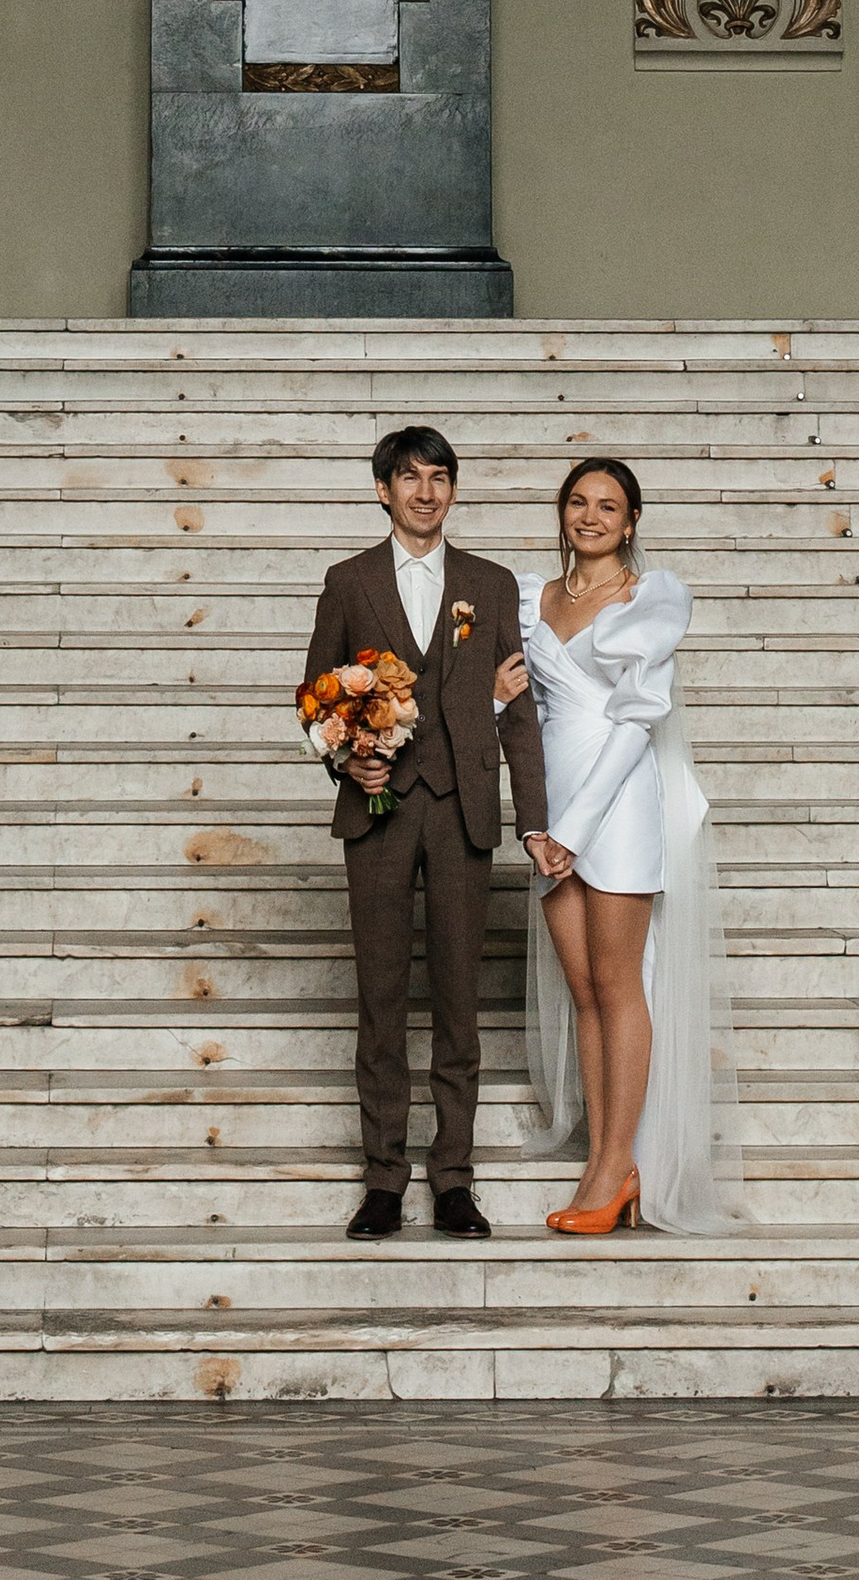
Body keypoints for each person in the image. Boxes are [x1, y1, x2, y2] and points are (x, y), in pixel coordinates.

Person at [302, 423, 551, 1238]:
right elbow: (314, 695)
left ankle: (452, 1178)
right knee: (379, 998)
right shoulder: (348, 581)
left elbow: (517, 712)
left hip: (459, 809)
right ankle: (382, 1177)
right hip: (378, 813)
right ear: (384, 490)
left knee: (456, 1001)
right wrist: (351, 760)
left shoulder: (490, 582)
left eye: (440, 477)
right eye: (409, 478)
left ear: (452, 488)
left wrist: (537, 819)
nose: (426, 491)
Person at [501, 458, 746, 1234]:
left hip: (618, 803)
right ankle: (609, 1160)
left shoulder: (652, 597)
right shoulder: (529, 601)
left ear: (631, 521)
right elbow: (519, 711)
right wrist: (538, 824)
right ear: (562, 512)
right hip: (552, 812)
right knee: (583, 994)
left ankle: (614, 1168)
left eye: (609, 505)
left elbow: (636, 720)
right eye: (578, 502)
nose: (591, 516)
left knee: (618, 985)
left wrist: (575, 830)